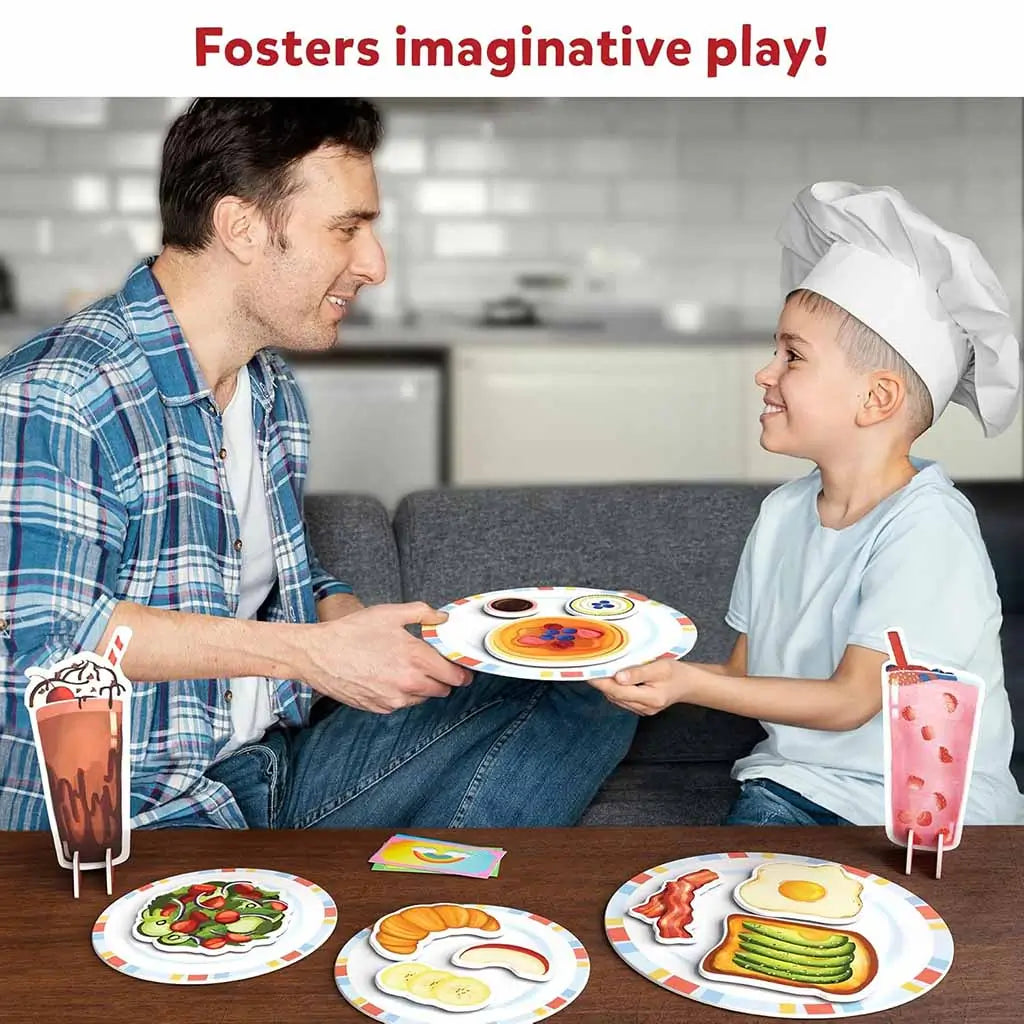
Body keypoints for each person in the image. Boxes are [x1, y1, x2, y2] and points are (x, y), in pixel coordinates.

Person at [0, 98, 637, 832]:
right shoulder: (61, 395)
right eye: (347, 228)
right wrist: (310, 655)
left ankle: (411, 894)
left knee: (589, 689)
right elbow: (49, 644)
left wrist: (356, 626)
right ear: (241, 227)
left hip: (271, 764)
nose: (374, 264)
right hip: (139, 810)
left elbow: (254, 572)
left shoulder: (268, 389)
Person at [589, 180, 1024, 828]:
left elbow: (853, 701)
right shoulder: (782, 514)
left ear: (875, 400)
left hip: (925, 822)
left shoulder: (928, 530)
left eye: (792, 355)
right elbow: (745, 670)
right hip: (791, 790)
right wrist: (658, 675)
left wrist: (688, 683)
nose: (766, 373)